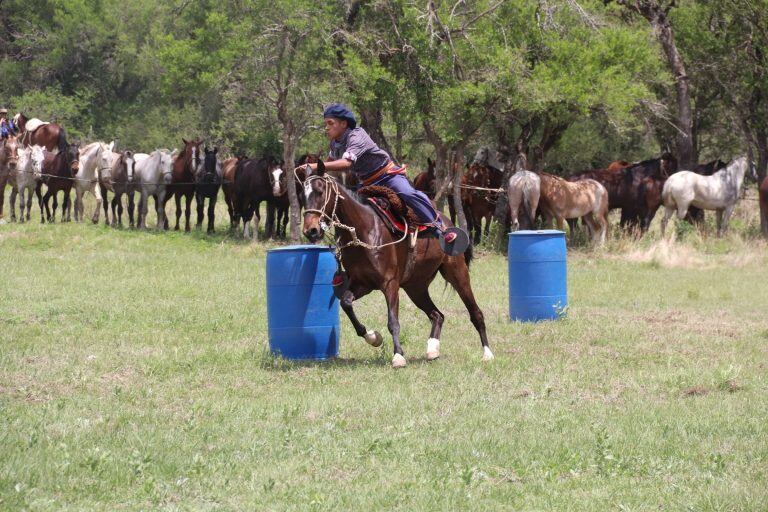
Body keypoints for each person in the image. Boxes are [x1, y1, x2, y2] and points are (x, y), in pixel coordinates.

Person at [303, 103, 459, 245]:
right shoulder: (335, 142)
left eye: (330, 123)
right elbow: (329, 163)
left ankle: (439, 228)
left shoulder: (356, 136)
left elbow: (346, 163)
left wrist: (314, 165)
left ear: (344, 124)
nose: (326, 128)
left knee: (408, 193)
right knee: (345, 208)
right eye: (325, 124)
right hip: (366, 183)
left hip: (388, 177)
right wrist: (314, 172)